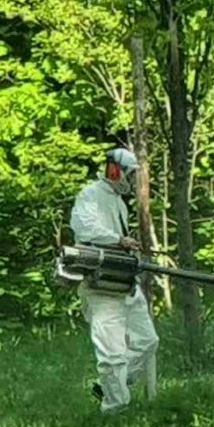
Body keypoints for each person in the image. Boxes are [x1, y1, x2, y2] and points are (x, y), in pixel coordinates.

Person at [69, 147, 159, 413]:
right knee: (112, 354)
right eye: (129, 175)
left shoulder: (119, 203)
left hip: (122, 281)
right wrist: (118, 240)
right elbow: (84, 228)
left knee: (147, 341)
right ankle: (116, 410)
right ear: (114, 171)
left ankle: (106, 386)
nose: (132, 182)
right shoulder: (90, 195)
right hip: (100, 285)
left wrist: (125, 247)